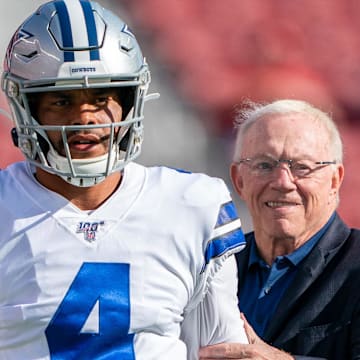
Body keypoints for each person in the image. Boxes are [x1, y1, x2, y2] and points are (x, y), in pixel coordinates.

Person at [0, 1, 248, 359]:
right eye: (61, 100)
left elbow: (220, 351)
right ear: (27, 108)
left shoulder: (193, 205)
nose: (84, 118)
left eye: (101, 97)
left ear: (131, 100)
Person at [199, 99, 360, 360]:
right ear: (239, 180)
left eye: (302, 167)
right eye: (264, 165)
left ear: (334, 180)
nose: (283, 182)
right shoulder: (209, 267)